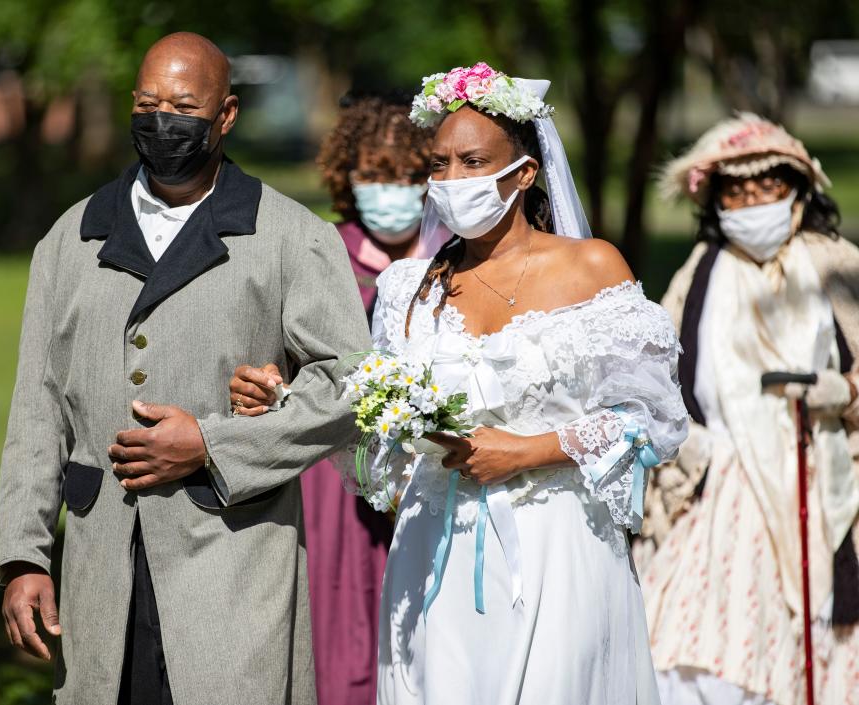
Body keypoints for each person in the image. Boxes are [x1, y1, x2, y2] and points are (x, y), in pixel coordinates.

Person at [232, 63, 688, 705]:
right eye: (439, 165)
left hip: (556, 544)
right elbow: (377, 441)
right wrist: (285, 404)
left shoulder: (591, 267)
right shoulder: (406, 292)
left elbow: (650, 420)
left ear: (525, 173)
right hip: (433, 548)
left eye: (473, 162)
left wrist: (529, 451)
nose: (451, 181)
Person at [0, 32, 370, 705]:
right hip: (101, 569)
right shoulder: (69, 239)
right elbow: (36, 406)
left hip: (234, 564)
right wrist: (23, 555)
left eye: (183, 106)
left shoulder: (290, 237)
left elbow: (348, 387)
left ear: (225, 116)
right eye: (147, 103)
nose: (162, 121)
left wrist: (213, 444)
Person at [638, 112, 859, 705]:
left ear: (796, 191)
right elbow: (657, 373)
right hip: (721, 484)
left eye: (767, 189)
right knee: (691, 652)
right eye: (737, 192)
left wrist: (847, 393)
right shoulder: (701, 273)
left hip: (827, 480)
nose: (752, 203)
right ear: (715, 201)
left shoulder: (837, 266)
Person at [231, 92, 431, 705]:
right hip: (334, 473)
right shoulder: (320, 252)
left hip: (432, 468)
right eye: (375, 175)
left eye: (408, 176)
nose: (391, 191)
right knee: (341, 613)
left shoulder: (452, 259)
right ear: (347, 176)